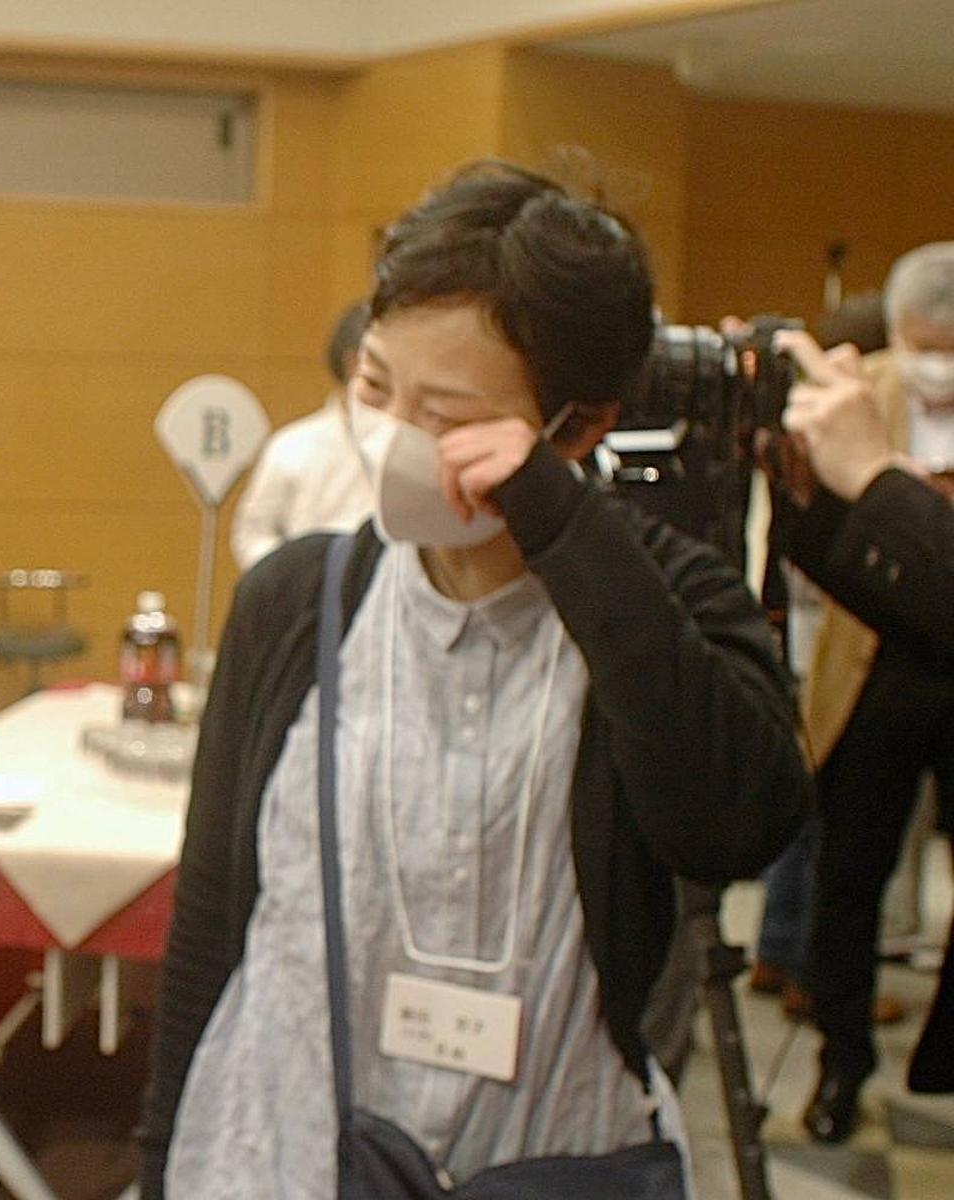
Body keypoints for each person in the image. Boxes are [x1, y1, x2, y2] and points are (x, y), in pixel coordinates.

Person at [140, 163, 807, 1198]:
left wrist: (563, 524)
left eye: (445, 415)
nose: (391, 436)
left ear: (579, 425)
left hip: (550, 1150)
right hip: (283, 1147)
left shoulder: (662, 597)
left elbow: (736, 824)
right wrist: (160, 1159)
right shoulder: (297, 601)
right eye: (375, 389)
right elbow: (212, 919)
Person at [768, 241, 954, 1143]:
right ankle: (840, 1059)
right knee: (847, 875)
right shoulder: (857, 395)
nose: (937, 368)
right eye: (924, 348)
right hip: (878, 659)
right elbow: (813, 543)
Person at [230, 302, 378, 570]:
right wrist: (291, 577)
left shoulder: (408, 445)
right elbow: (252, 534)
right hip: (306, 585)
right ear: (353, 363)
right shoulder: (292, 446)